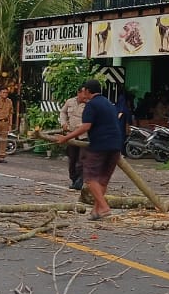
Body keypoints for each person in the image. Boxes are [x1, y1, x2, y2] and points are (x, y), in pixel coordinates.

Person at [52, 79, 123, 221]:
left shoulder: (91, 105)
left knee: (90, 178)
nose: (82, 93)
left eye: (83, 90)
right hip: (116, 145)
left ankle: (104, 207)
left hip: (100, 145)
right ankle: (96, 211)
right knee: (102, 180)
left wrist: (65, 138)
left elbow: (85, 127)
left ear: (87, 91)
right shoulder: (108, 104)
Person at [58, 85, 86, 190]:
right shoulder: (70, 102)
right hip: (71, 135)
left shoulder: (90, 104)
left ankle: (80, 181)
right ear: (78, 93)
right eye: (84, 92)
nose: (86, 95)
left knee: (82, 160)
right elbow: (63, 112)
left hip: (84, 136)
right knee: (72, 160)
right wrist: (63, 123)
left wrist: (83, 125)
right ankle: (74, 179)